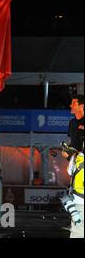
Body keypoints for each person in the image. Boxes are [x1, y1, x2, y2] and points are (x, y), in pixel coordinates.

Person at [62, 95, 84, 238]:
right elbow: (73, 144)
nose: (70, 105)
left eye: (73, 103)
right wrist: (68, 151)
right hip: (77, 163)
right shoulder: (72, 123)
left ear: (82, 106)